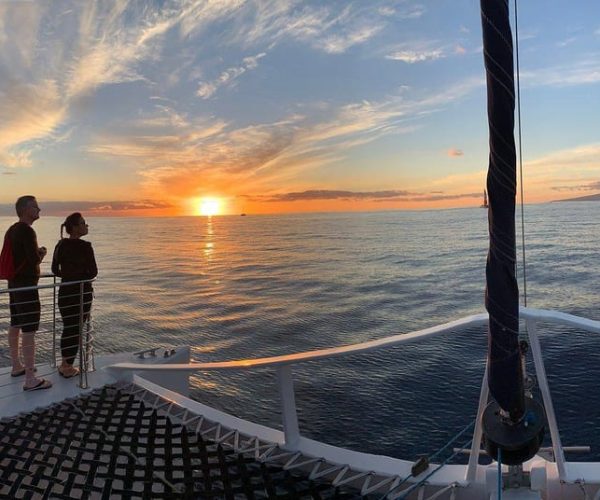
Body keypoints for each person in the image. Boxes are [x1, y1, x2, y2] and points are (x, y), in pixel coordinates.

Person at [5, 195, 51, 391]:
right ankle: (31, 378)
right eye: (35, 207)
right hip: (27, 286)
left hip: (14, 284)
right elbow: (33, 261)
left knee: (16, 323)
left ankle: (16, 366)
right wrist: (41, 253)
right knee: (30, 329)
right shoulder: (27, 231)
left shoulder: (12, 229)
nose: (39, 210)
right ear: (26, 210)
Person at [51, 213, 97, 378]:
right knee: (76, 329)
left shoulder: (60, 245)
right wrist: (80, 275)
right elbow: (93, 272)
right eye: (84, 223)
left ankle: (65, 362)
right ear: (76, 228)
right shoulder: (85, 247)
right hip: (81, 293)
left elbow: (55, 270)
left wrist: (69, 275)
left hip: (65, 292)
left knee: (68, 327)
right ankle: (68, 367)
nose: (86, 226)